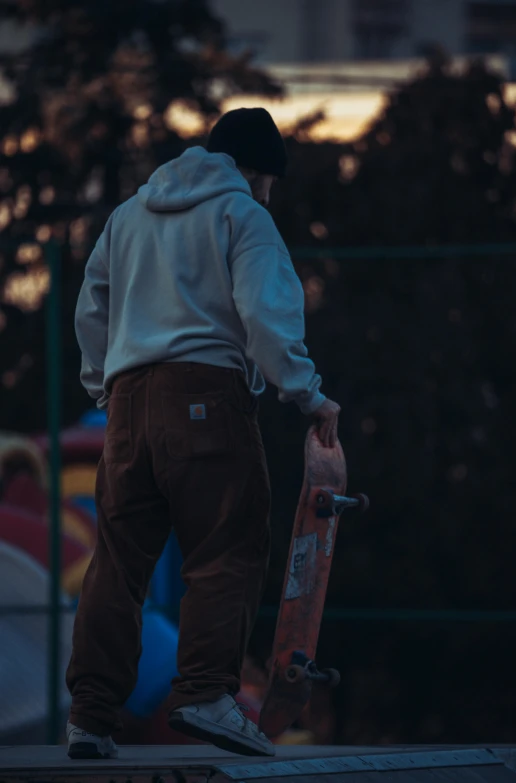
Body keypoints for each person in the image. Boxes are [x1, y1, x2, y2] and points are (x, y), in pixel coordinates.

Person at [66, 107, 341, 760]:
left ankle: (90, 715)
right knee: (229, 545)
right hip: (207, 399)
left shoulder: (128, 216)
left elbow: (90, 305)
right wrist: (308, 394)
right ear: (254, 169)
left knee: (117, 561)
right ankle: (207, 693)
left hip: (126, 408)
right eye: (268, 181)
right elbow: (266, 313)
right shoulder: (242, 213)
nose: (268, 194)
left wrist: (102, 384)